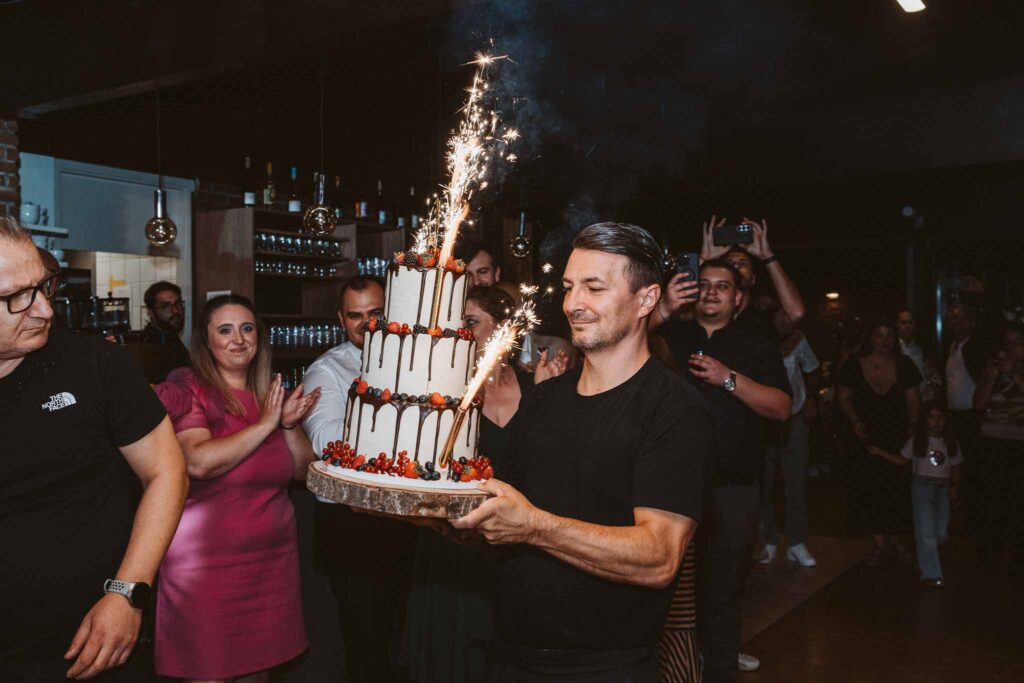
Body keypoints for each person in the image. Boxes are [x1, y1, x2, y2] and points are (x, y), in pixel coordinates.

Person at [452, 222, 713, 682]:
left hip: (607, 669)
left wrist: (534, 526)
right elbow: (496, 512)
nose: (573, 304)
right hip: (510, 660)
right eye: (570, 287)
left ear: (647, 300)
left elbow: (659, 557)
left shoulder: (674, 410)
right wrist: (433, 508)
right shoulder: (544, 400)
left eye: (595, 288)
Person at [0, 217, 188, 682]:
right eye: (17, 298)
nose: (44, 309)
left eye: (43, 287)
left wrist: (127, 594)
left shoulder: (94, 364)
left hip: (93, 646)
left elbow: (167, 472)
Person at [401, 286, 567, 683]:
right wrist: (443, 526)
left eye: (470, 322)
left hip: (522, 546)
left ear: (503, 329)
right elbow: (417, 476)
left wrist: (548, 399)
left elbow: (554, 468)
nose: (459, 331)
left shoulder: (538, 386)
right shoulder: (440, 392)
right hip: (457, 548)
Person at [155, 294, 320, 682]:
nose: (238, 339)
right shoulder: (189, 386)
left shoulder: (267, 394)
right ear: (206, 341)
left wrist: (287, 424)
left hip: (270, 566)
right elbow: (199, 460)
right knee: (208, 671)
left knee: (257, 674)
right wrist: (264, 425)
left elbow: (303, 471)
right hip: (206, 571)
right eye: (225, 330)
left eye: (247, 329)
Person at [654, 258, 791, 683]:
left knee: (722, 592)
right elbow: (617, 343)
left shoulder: (755, 347)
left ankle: (719, 674)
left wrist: (727, 377)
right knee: (663, 587)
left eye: (723, 286)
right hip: (668, 488)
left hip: (731, 489)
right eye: (705, 284)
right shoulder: (667, 337)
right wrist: (661, 309)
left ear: (739, 298)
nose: (712, 292)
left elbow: (782, 408)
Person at [302, 275, 419, 683]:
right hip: (355, 528)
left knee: (410, 639)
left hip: (413, 519)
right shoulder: (327, 370)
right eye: (355, 315)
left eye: (376, 313)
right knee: (368, 642)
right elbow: (328, 441)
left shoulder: (416, 358)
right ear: (340, 319)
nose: (367, 323)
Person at [837, 318, 921, 566]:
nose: (885, 341)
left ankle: (895, 540)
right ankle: (878, 542)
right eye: (879, 335)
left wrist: (914, 427)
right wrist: (855, 421)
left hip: (896, 432)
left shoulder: (904, 364)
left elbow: (913, 399)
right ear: (870, 339)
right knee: (868, 485)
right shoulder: (854, 364)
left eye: (889, 336)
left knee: (897, 486)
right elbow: (844, 396)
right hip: (865, 431)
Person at [869, 402, 962, 586]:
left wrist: (954, 486)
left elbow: (956, 464)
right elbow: (902, 459)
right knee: (926, 530)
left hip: (942, 487)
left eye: (940, 417)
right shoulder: (917, 441)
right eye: (932, 417)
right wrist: (880, 452)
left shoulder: (950, 442)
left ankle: (923, 559)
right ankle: (932, 574)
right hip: (922, 486)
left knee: (941, 532)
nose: (936, 422)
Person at [757, 307, 822, 567]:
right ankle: (769, 540)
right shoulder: (758, 340)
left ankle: (796, 542)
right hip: (764, 422)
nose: (787, 321)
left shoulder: (798, 339)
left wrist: (812, 398)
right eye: (781, 316)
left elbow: (813, 369)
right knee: (764, 484)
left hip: (794, 420)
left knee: (796, 482)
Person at [972, 320, 1024, 577]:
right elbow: (978, 404)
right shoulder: (992, 367)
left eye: (1017, 343)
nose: (1012, 349)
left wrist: (1015, 374)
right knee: (992, 499)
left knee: (1017, 501)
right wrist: (990, 380)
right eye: (1008, 343)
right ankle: (988, 554)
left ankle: (1016, 557)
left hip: (1018, 442)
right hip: (991, 440)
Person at [140, 281, 191, 383]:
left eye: (178, 304)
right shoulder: (151, 344)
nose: (175, 311)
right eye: (165, 307)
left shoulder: (170, 338)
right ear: (151, 312)